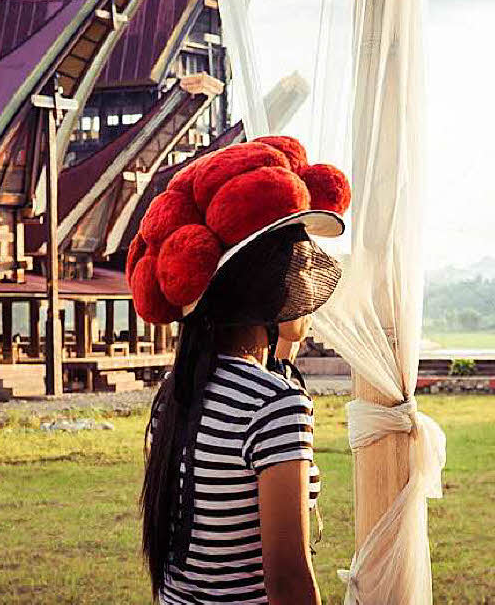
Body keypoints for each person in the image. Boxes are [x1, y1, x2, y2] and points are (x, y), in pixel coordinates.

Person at [125, 135, 351, 604]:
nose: (307, 283)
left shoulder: (177, 388)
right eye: (299, 268)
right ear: (270, 291)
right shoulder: (276, 405)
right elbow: (288, 579)